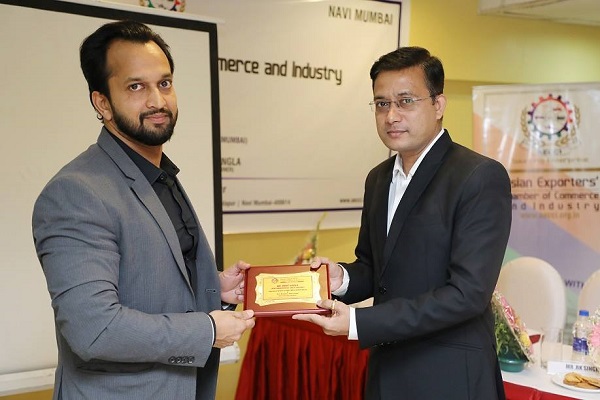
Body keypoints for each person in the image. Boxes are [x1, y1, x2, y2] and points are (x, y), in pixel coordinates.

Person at [32, 20, 255, 400]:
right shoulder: (76, 192)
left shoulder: (159, 175)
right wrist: (207, 330)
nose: (157, 101)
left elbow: (149, 279)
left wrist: (212, 288)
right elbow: (94, 329)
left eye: (164, 83)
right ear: (102, 102)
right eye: (136, 86)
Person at [293, 46, 511, 399]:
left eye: (405, 101)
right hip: (387, 370)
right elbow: (375, 268)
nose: (391, 115)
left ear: (438, 105)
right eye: (382, 104)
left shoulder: (478, 176)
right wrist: (341, 278)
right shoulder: (378, 178)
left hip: (449, 376)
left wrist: (359, 322)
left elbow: (467, 294)